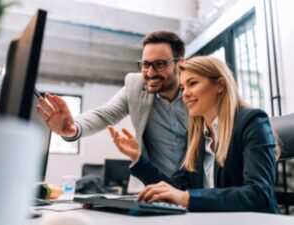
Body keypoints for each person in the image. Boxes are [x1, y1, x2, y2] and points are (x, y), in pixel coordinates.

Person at [108, 56, 280, 213]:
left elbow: (259, 194)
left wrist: (188, 198)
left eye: (193, 83)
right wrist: (138, 158)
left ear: (220, 85)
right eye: (183, 87)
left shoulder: (253, 122)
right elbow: (175, 188)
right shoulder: (198, 136)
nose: (185, 94)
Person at [36, 31, 188, 177]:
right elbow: (104, 115)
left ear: (180, 64)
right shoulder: (135, 85)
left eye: (160, 64)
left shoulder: (199, 91)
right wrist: (73, 128)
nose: (150, 73)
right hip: (154, 187)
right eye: (145, 64)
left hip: (197, 190)